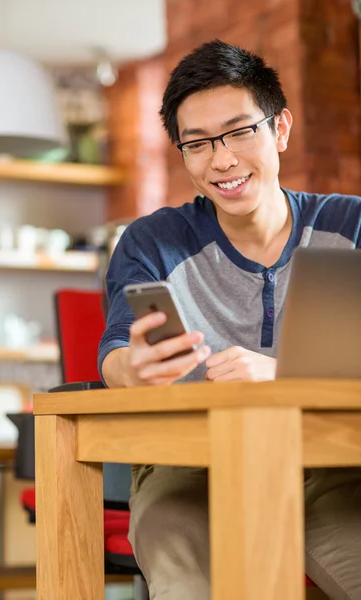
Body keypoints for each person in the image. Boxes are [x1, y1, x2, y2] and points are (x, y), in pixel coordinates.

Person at [99, 40, 361, 600]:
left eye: (241, 132)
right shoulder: (153, 242)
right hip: (188, 468)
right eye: (197, 143)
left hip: (333, 464)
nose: (222, 160)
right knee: (188, 581)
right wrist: (134, 370)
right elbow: (117, 351)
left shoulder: (352, 226)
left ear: (280, 129)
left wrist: (282, 377)